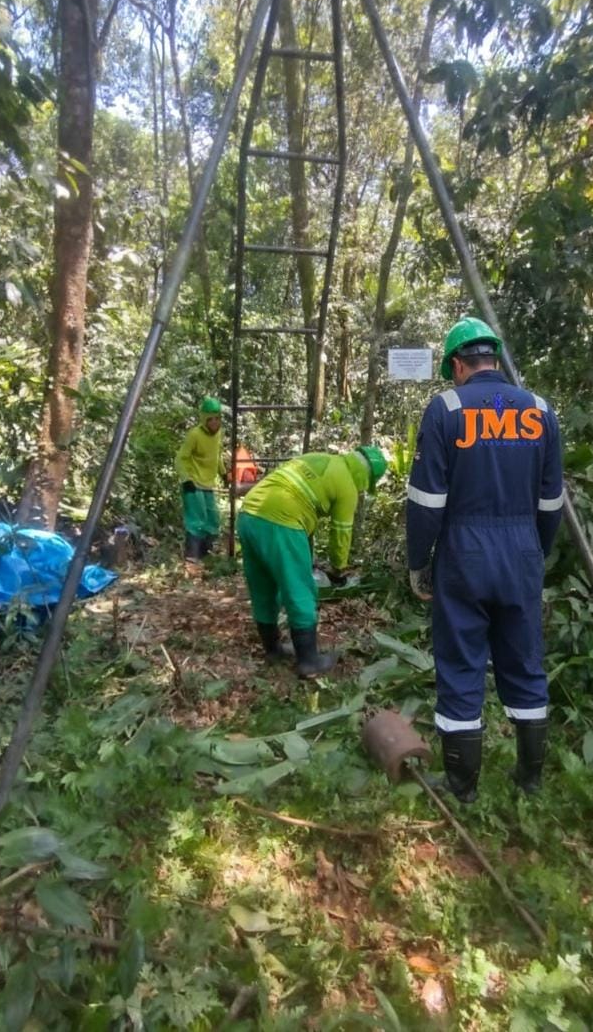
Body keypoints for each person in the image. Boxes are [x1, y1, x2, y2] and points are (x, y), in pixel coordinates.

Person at [406, 317, 563, 801]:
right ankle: (530, 778)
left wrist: (418, 562)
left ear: (457, 364)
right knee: (525, 662)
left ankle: (462, 785)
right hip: (522, 551)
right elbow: (551, 501)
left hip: (464, 552)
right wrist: (535, 552)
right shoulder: (540, 411)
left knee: (460, 662)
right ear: (493, 358)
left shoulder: (446, 409)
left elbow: (427, 501)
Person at [238, 446, 388, 678]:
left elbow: (300, 496)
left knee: (263, 586)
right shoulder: (347, 485)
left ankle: (273, 650)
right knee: (300, 589)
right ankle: (309, 662)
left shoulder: (321, 459)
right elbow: (341, 533)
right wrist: (338, 570)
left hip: (249, 513)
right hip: (282, 521)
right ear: (365, 477)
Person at [176, 396, 226, 564]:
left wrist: (224, 473)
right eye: (210, 419)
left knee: (212, 518)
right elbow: (181, 458)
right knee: (197, 519)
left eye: (217, 418)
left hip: (208, 483)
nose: (214, 423)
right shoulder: (195, 435)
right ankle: (192, 557)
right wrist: (186, 479)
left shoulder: (219, 433)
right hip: (193, 483)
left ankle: (206, 556)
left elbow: (216, 455)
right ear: (204, 420)